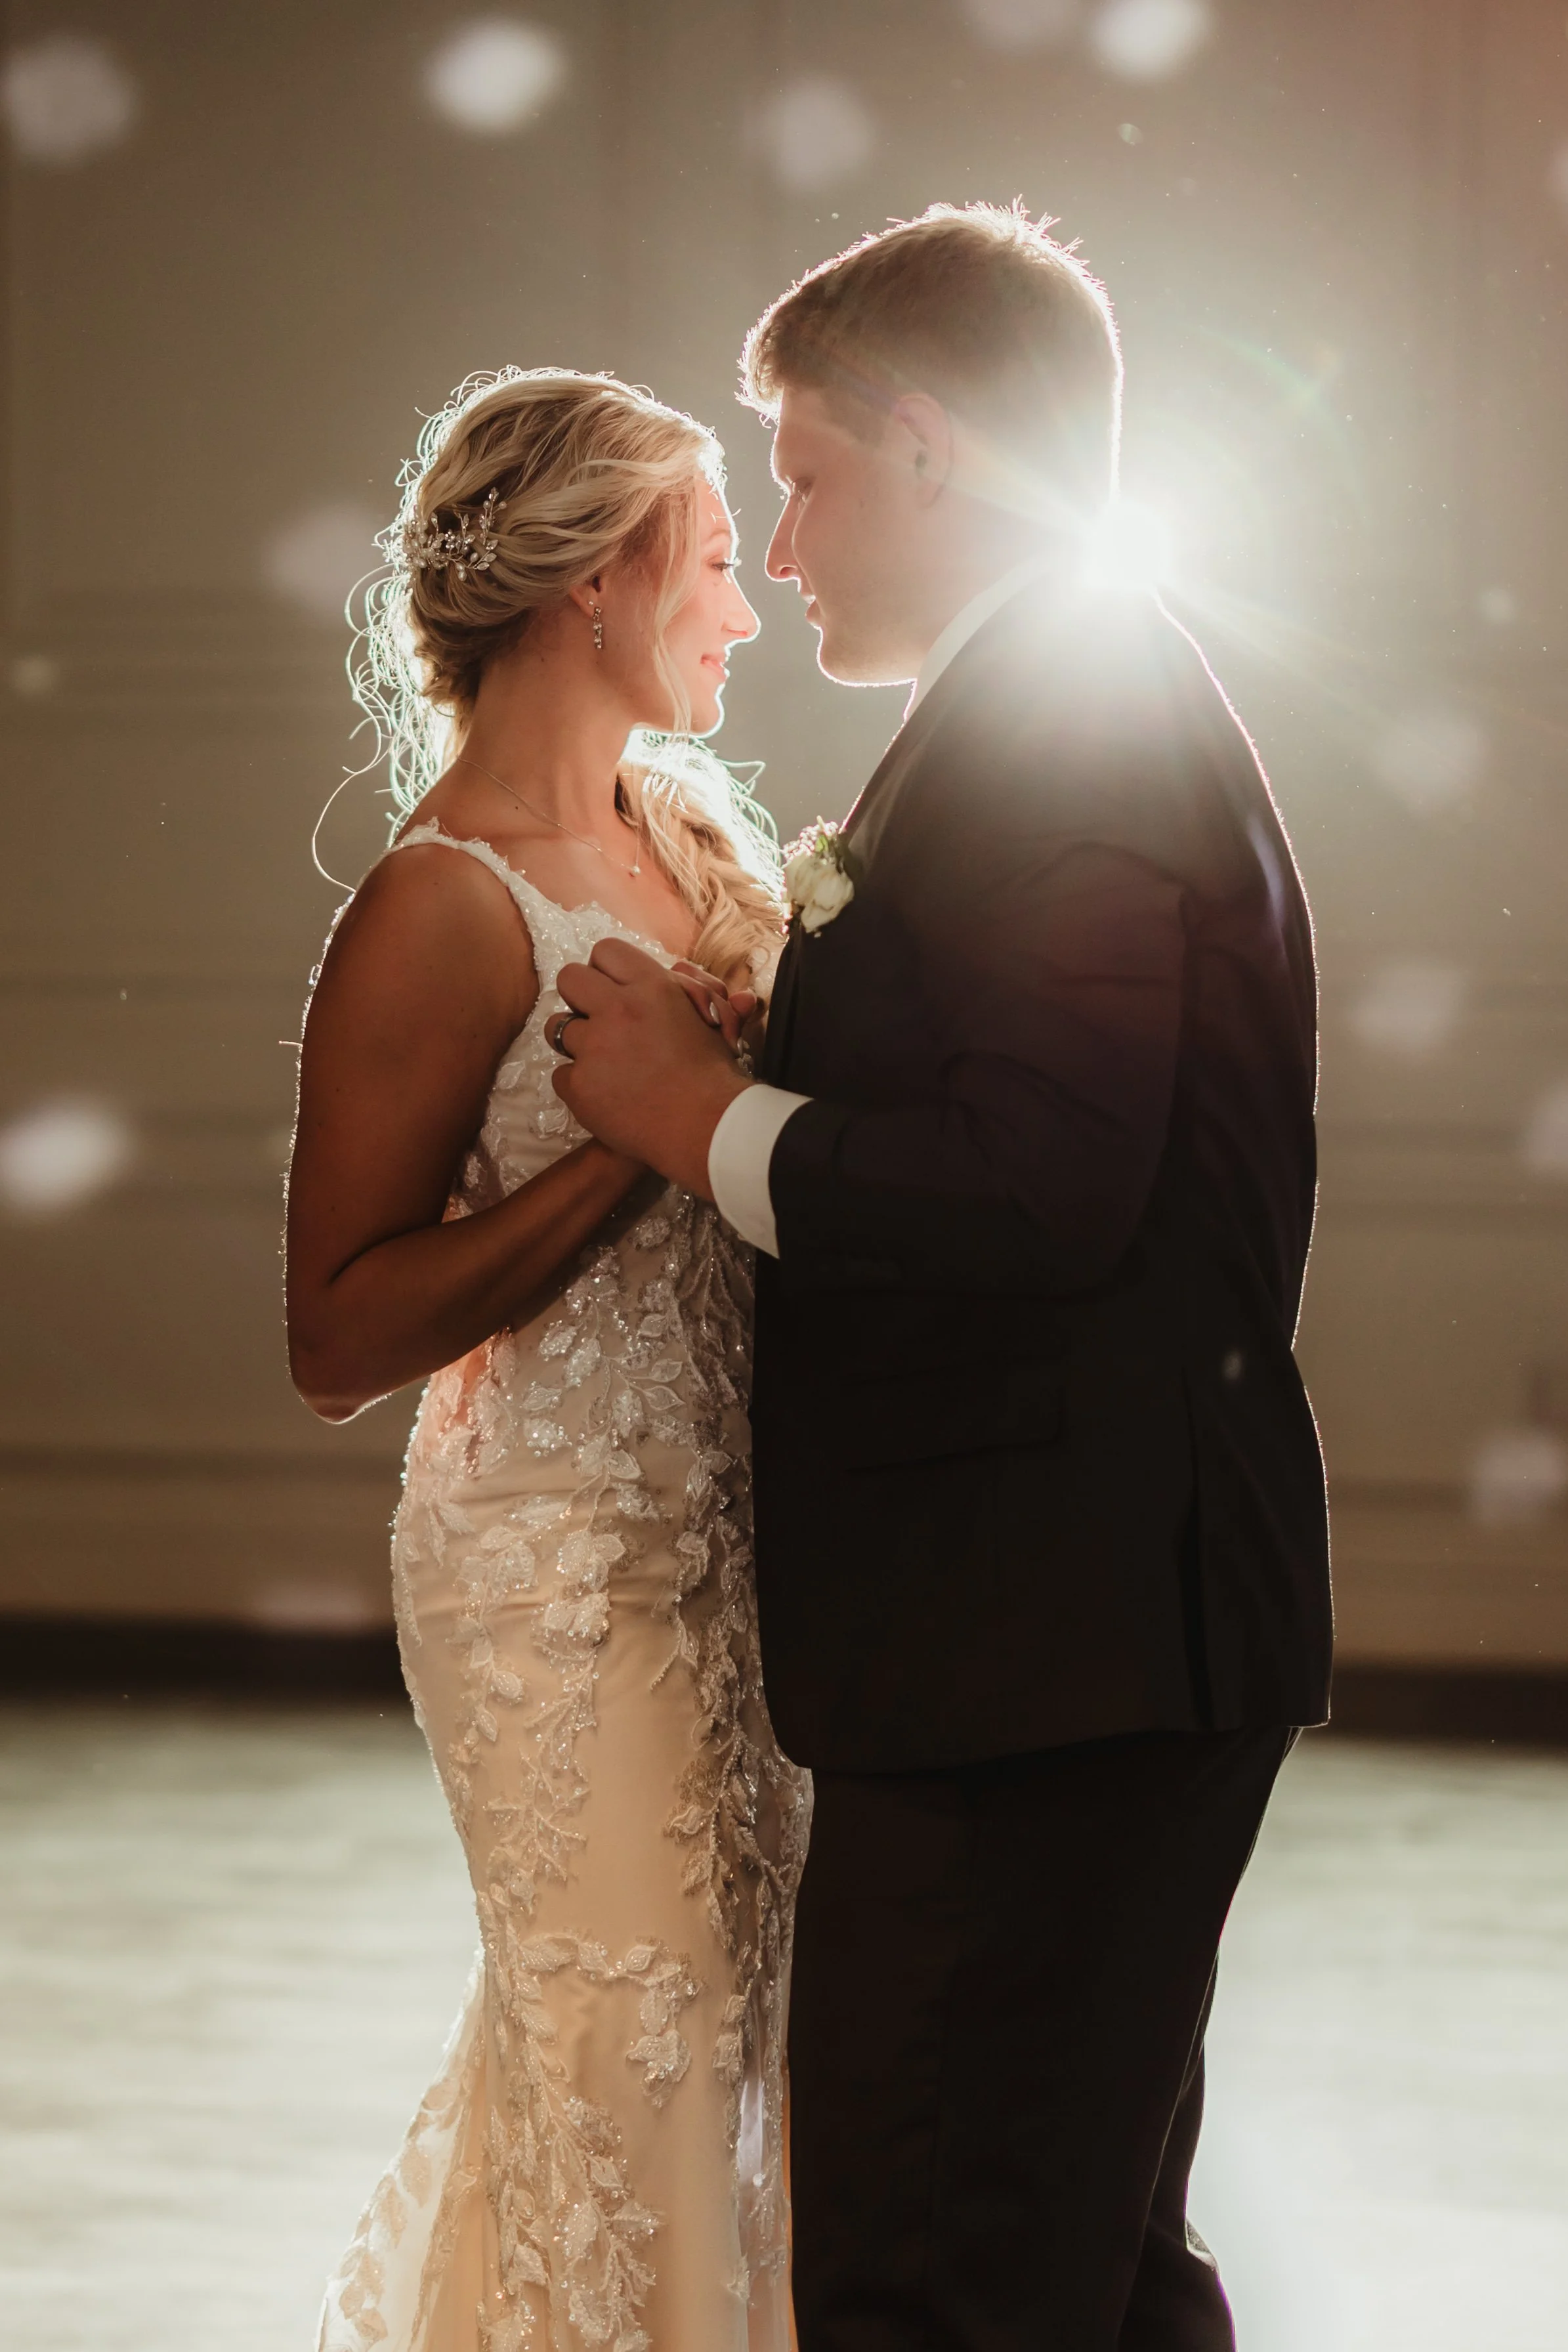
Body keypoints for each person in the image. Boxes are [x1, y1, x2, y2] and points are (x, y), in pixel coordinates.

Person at [548, 205, 1334, 2350]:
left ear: (923, 444)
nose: (780, 546)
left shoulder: (1070, 711)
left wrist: (690, 1122)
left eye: (799, 472)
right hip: (1054, 1627)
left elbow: (1040, 1188)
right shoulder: (1051, 698)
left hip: (1050, 1648)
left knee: (936, 2266)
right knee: (1069, 2263)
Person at [285, 368, 811, 2352]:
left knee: (735, 2059)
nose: (740, 610)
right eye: (705, 560)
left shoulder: (685, 829)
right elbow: (337, 1331)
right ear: (590, 581)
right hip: (557, 1576)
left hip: (751, 1551)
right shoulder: (438, 903)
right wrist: (626, 1152)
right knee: (630, 2062)